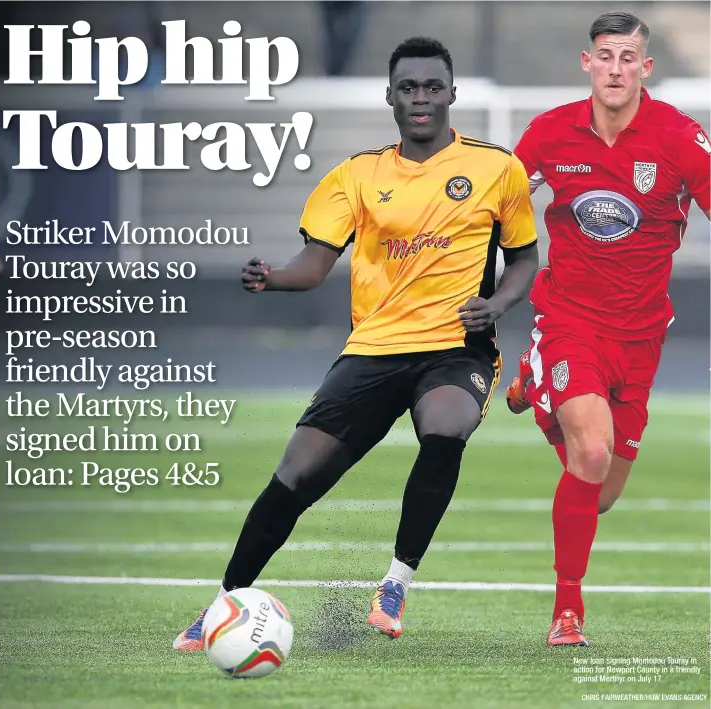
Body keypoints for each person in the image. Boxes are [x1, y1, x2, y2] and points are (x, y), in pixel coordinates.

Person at [174, 36, 539, 650]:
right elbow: (314, 264)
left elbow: (525, 259)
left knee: (446, 429)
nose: (420, 98)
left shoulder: (497, 168)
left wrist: (498, 304)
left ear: (452, 94)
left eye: (431, 87)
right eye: (408, 88)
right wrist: (274, 278)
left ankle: (394, 585)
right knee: (295, 477)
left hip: (456, 347)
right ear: (390, 97)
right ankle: (221, 606)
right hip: (373, 350)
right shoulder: (356, 175)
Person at [505, 11, 710, 647]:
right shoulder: (549, 134)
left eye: (628, 58)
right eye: (605, 56)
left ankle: (535, 386)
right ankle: (568, 612)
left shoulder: (678, 138)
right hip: (570, 320)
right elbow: (497, 201)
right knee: (589, 453)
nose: (616, 68)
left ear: (646, 68)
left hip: (642, 337)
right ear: (586, 63)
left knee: (599, 495)